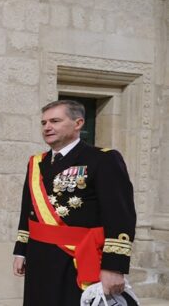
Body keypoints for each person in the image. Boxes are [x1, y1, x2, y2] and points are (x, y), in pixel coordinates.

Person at [12, 100, 137, 305]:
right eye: (43, 123)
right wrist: (21, 250)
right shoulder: (36, 162)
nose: (47, 127)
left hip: (76, 258)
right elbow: (28, 210)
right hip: (39, 257)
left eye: (55, 121)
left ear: (78, 123)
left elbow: (119, 215)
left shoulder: (102, 159)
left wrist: (114, 266)